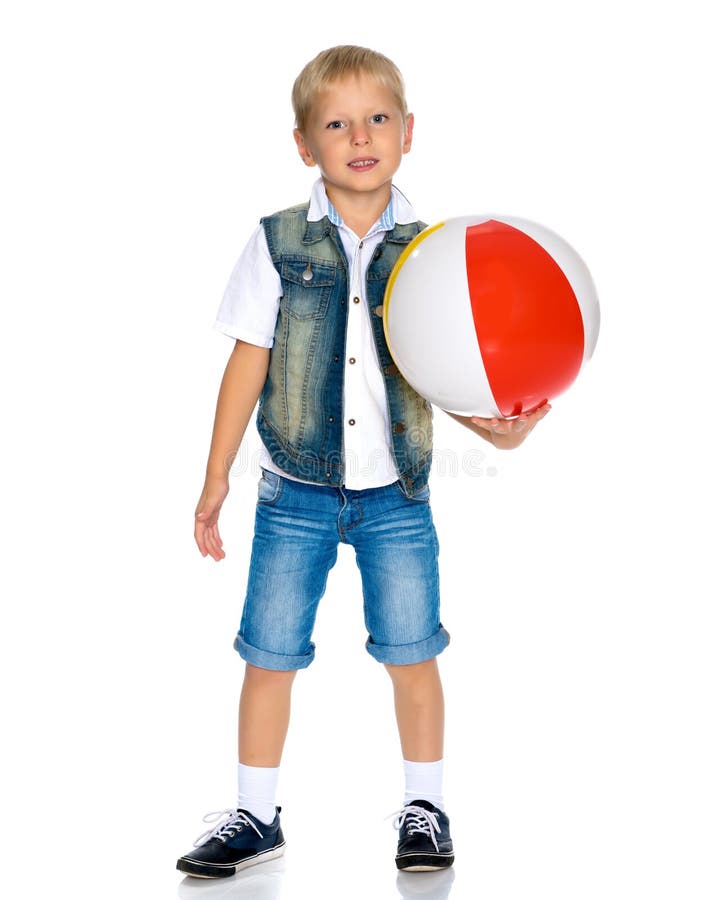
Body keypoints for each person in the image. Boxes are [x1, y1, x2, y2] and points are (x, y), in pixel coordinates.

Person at [176, 45, 550, 880]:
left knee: (413, 653)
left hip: (398, 498)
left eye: (377, 118)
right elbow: (248, 361)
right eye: (335, 123)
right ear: (305, 145)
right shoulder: (275, 243)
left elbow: (439, 363)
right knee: (269, 656)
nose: (360, 136)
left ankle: (427, 808)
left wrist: (496, 431)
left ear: (409, 132)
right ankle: (255, 815)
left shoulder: (429, 255)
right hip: (293, 495)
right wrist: (216, 478)